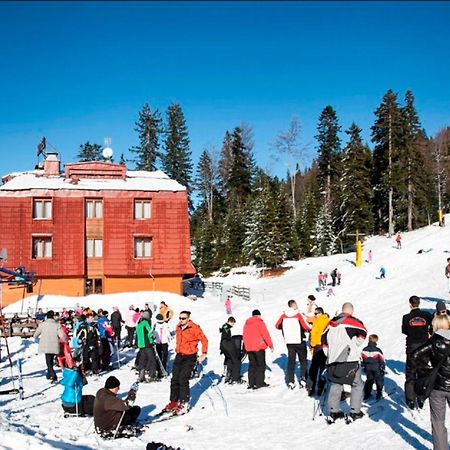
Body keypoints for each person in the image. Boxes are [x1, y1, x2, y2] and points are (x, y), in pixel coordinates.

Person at [323, 302, 367, 422]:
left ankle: (334, 410)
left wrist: (329, 354)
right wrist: (356, 343)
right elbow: (363, 331)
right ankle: (355, 411)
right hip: (349, 358)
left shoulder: (330, 324)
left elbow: (323, 340)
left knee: (336, 384)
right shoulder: (351, 321)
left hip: (332, 359)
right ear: (351, 311)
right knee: (357, 384)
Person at [411, 314, 450, 450]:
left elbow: (414, 355)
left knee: (438, 422)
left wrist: (426, 370)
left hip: (437, 386)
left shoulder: (433, 341)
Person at [163, 311, 208, 415]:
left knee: (183, 378)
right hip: (179, 355)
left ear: (188, 318)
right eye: (180, 318)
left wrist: (204, 353)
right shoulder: (178, 327)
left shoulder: (195, 328)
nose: (181, 320)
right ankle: (174, 401)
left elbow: (204, 340)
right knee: (175, 379)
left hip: (190, 356)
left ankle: (184, 402)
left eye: (183, 318)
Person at [401, 295, 433, 409]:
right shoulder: (427, 315)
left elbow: (404, 331)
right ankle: (421, 396)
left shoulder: (406, 317)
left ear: (410, 304)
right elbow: (432, 327)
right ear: (419, 303)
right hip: (424, 347)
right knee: (422, 372)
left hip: (411, 346)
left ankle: (410, 399)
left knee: (410, 373)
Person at [275, 300, 311, 389]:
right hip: (299, 340)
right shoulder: (298, 314)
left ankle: (291, 381)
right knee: (303, 360)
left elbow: (277, 325)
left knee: (291, 361)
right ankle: (303, 378)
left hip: (289, 341)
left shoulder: (283, 315)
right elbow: (306, 327)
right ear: (293, 305)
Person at [33, 310, 67, 384]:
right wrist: (66, 341)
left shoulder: (43, 324)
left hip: (46, 345)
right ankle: (48, 375)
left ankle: (54, 376)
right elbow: (62, 335)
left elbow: (36, 334)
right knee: (50, 360)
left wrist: (36, 337)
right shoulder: (57, 325)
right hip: (54, 345)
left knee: (48, 362)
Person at [243, 309, 274, 390]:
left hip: (249, 348)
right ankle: (259, 383)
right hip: (258, 347)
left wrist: (246, 347)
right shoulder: (260, 323)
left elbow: (244, 336)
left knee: (252, 365)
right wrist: (270, 345)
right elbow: (265, 335)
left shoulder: (246, 324)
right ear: (258, 315)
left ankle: (251, 383)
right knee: (260, 365)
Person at [306, 307, 330, 397]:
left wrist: (312, 344)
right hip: (326, 346)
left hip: (318, 346)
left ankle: (310, 387)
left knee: (314, 367)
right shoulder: (328, 321)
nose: (315, 315)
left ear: (320, 313)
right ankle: (321, 387)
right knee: (323, 367)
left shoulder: (318, 320)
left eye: (316, 313)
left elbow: (313, 333)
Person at [135, 310, 157, 382]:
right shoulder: (146, 323)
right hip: (147, 344)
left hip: (141, 345)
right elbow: (149, 333)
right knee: (152, 359)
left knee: (142, 360)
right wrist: (152, 340)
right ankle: (152, 375)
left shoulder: (139, 324)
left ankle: (141, 375)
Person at [219, 317, 243, 384]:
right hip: (227, 346)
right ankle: (235, 377)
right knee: (235, 361)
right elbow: (226, 337)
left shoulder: (225, 327)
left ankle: (228, 375)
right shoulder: (226, 327)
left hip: (224, 346)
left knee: (229, 360)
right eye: (233, 323)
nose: (233, 325)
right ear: (230, 322)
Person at [362, 334, 385, 400]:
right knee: (379, 380)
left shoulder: (364, 350)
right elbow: (382, 360)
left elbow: (362, 359)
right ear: (376, 341)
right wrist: (382, 368)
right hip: (376, 368)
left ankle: (367, 393)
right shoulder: (377, 350)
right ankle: (379, 393)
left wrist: (363, 366)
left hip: (368, 368)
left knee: (369, 380)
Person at [153, 313, 171, 378]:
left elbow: (154, 333)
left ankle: (159, 370)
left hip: (159, 342)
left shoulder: (156, 325)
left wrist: (153, 338)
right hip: (163, 342)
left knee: (159, 356)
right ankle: (163, 370)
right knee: (164, 356)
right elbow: (168, 333)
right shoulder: (165, 324)